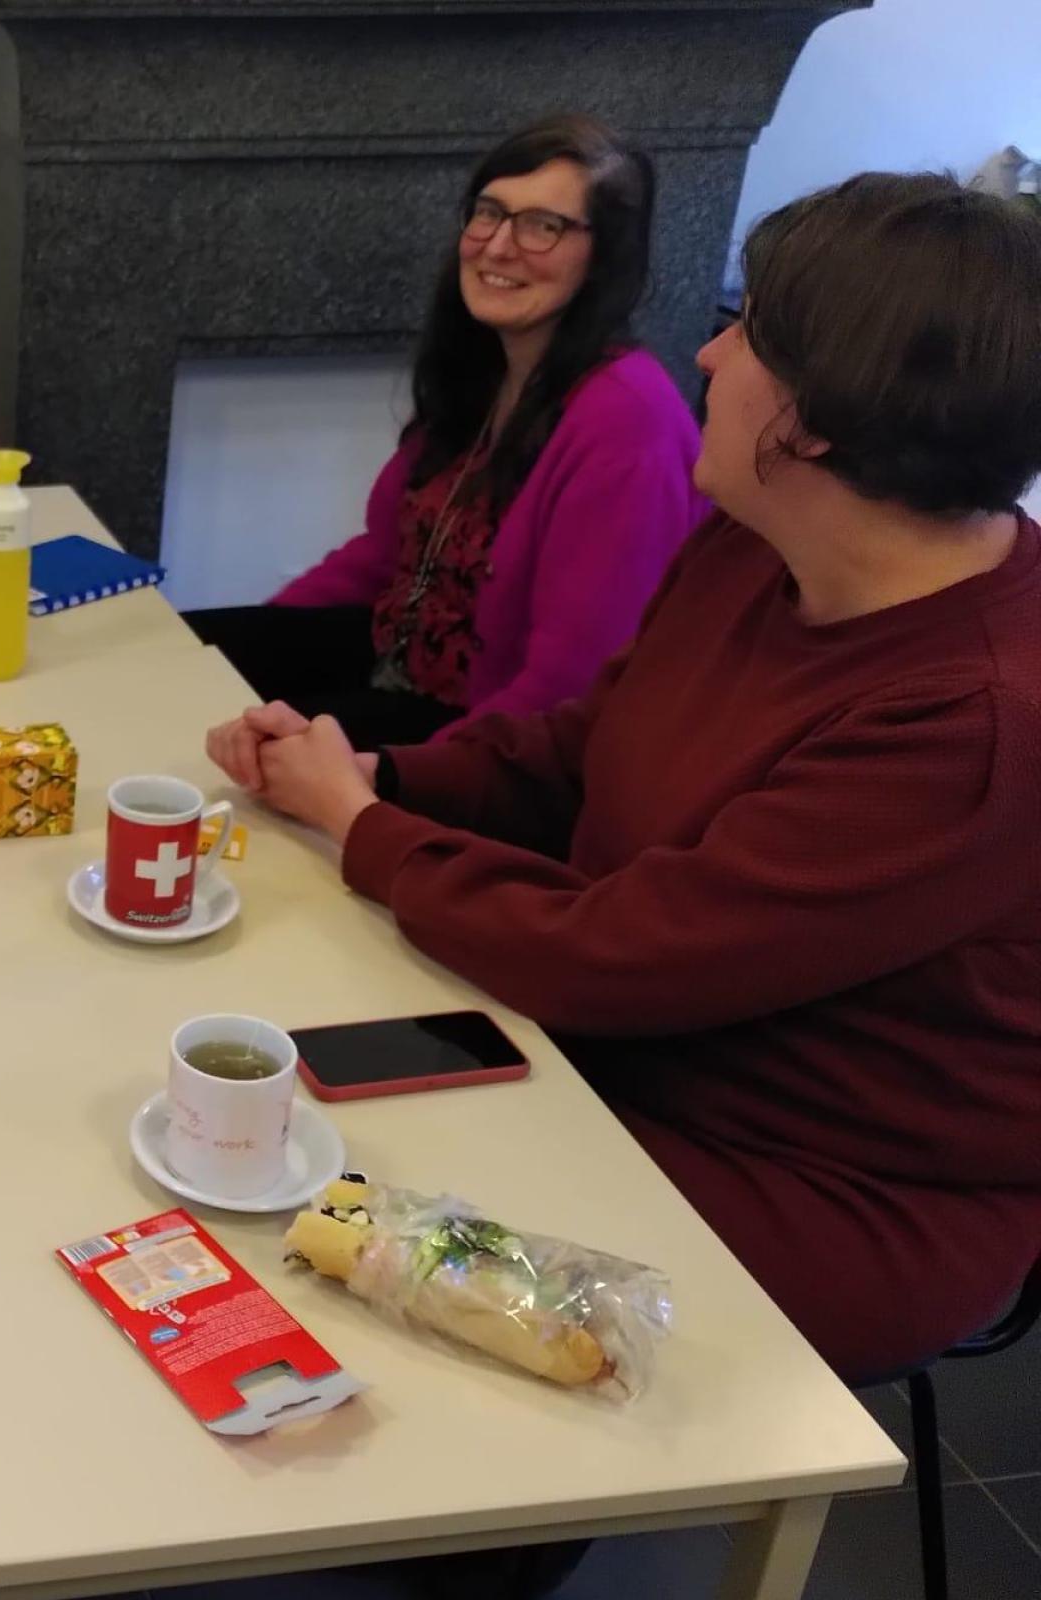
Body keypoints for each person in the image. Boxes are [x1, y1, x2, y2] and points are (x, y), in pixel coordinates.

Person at [209, 173, 1041, 1387]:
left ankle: (479, 1552)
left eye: (745, 328)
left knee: (349, 1233)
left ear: (813, 419)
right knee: (284, 1125)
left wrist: (364, 822)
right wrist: (380, 771)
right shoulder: (754, 543)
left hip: (817, 1177)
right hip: (627, 1045)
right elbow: (581, 746)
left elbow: (626, 954)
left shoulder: (972, 718)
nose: (707, 352)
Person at [188, 116, 707, 745]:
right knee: (183, 663)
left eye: (543, 226)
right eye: (488, 212)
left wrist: (377, 776)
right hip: (390, 660)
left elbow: (565, 693)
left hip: (482, 733)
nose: (497, 246)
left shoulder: (628, 424)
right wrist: (251, 644)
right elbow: (385, 558)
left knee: (227, 748)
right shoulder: (483, 371)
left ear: (605, 258)